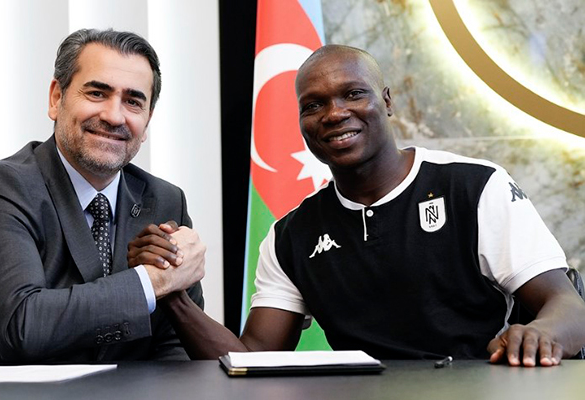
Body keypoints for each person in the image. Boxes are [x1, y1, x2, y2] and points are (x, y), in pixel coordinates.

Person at [135, 44, 585, 367]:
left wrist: (540, 334)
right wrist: (170, 293)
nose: (334, 114)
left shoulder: (474, 187)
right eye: (313, 105)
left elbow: (568, 306)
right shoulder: (290, 236)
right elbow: (250, 360)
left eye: (353, 93)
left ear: (386, 101)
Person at [0, 29, 205, 363]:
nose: (114, 116)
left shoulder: (166, 200)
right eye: (97, 93)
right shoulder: (1, 189)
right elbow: (23, 326)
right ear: (57, 98)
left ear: (147, 120)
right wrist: (152, 282)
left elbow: (176, 349)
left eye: (133, 101)